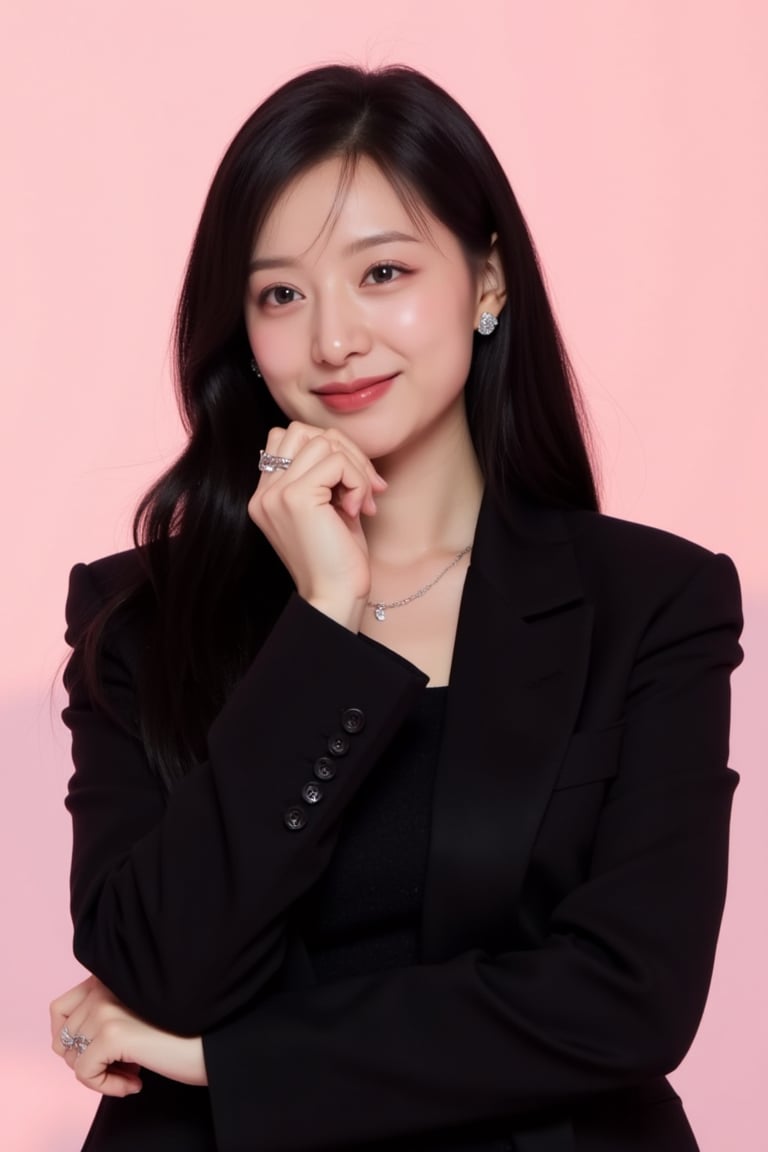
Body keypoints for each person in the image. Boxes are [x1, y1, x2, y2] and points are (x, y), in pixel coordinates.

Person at [49, 64, 743, 1152]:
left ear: (488, 284)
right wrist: (327, 617)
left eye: (382, 272)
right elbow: (158, 964)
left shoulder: (654, 603)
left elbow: (628, 1000)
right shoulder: (136, 613)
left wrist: (228, 1061)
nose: (333, 340)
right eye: (282, 293)